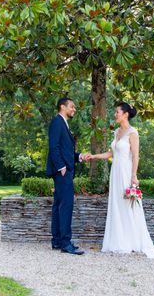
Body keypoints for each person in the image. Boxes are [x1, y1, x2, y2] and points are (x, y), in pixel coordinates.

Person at [86, 102, 154, 259]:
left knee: (128, 204)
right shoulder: (117, 131)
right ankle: (118, 241)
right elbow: (111, 153)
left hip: (126, 171)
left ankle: (131, 241)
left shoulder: (133, 133)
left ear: (125, 114)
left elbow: (136, 155)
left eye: (117, 112)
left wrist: (134, 175)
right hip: (115, 172)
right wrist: (94, 156)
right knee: (117, 204)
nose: (115, 114)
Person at [45, 97, 90, 255]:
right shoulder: (57, 122)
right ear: (62, 107)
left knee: (58, 206)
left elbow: (65, 150)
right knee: (66, 206)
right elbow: (53, 146)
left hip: (63, 171)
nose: (74, 109)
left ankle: (57, 241)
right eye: (72, 106)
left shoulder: (62, 123)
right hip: (62, 172)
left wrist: (79, 157)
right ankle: (65, 243)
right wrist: (61, 167)